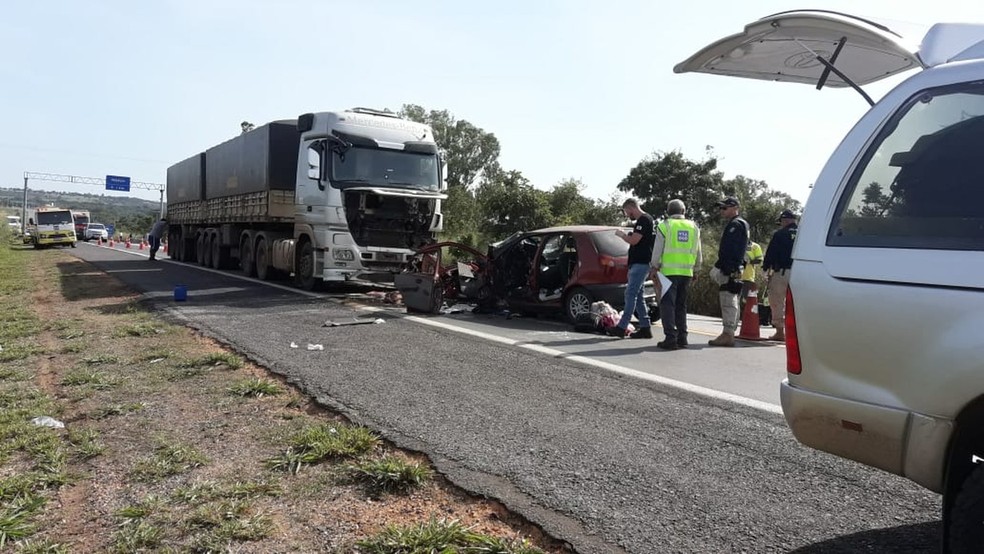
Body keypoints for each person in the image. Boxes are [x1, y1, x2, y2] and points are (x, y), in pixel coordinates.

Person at [650, 199, 701, 350]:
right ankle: (682, 338)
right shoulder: (694, 227)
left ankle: (670, 338)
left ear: (668, 212)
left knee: (667, 305)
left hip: (668, 272)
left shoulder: (664, 226)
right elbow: (698, 252)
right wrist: (696, 269)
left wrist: (654, 267)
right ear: (684, 211)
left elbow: (657, 251)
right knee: (681, 305)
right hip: (686, 272)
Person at [608, 198, 655, 339]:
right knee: (638, 296)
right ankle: (645, 327)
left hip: (641, 263)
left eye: (627, 212)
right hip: (639, 262)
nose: (627, 215)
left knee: (630, 294)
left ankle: (621, 327)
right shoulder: (645, 220)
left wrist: (622, 235)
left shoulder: (643, 220)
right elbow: (637, 239)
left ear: (631, 208)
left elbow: (635, 240)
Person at [708, 196, 749, 347]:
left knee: (728, 300)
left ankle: (728, 334)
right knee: (731, 299)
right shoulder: (741, 224)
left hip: (730, 268)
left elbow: (729, 250)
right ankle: (729, 331)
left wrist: (724, 266)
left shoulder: (736, 225)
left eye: (724, 208)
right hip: (735, 267)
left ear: (734, 207)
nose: (721, 211)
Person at [762, 208, 798, 341]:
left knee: (777, 301)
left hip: (782, 272)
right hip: (800, 274)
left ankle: (780, 331)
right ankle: (796, 333)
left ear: (784, 220)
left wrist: (765, 268)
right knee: (795, 304)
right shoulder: (804, 234)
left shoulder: (780, 234)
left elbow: (771, 253)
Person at [739, 240, 764, 310]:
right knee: (735, 298)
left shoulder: (755, 246)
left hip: (748, 277)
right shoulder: (737, 243)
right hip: (736, 276)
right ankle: (736, 318)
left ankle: (746, 317)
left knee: (745, 299)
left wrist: (749, 261)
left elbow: (759, 260)